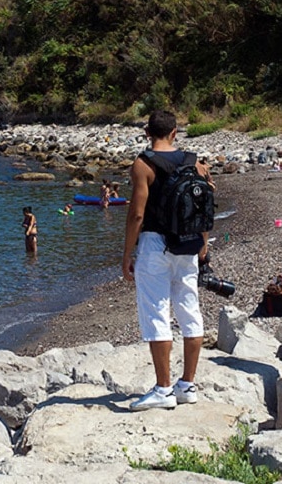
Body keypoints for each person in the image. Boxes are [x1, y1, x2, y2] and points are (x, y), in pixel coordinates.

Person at [121, 109, 212, 411]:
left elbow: (136, 214)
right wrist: (203, 242)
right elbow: (204, 205)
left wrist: (126, 253)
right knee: (190, 310)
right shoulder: (194, 163)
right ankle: (187, 384)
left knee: (157, 313)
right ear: (175, 132)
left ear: (148, 133)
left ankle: (163, 389)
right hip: (188, 243)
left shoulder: (143, 164)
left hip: (155, 244)